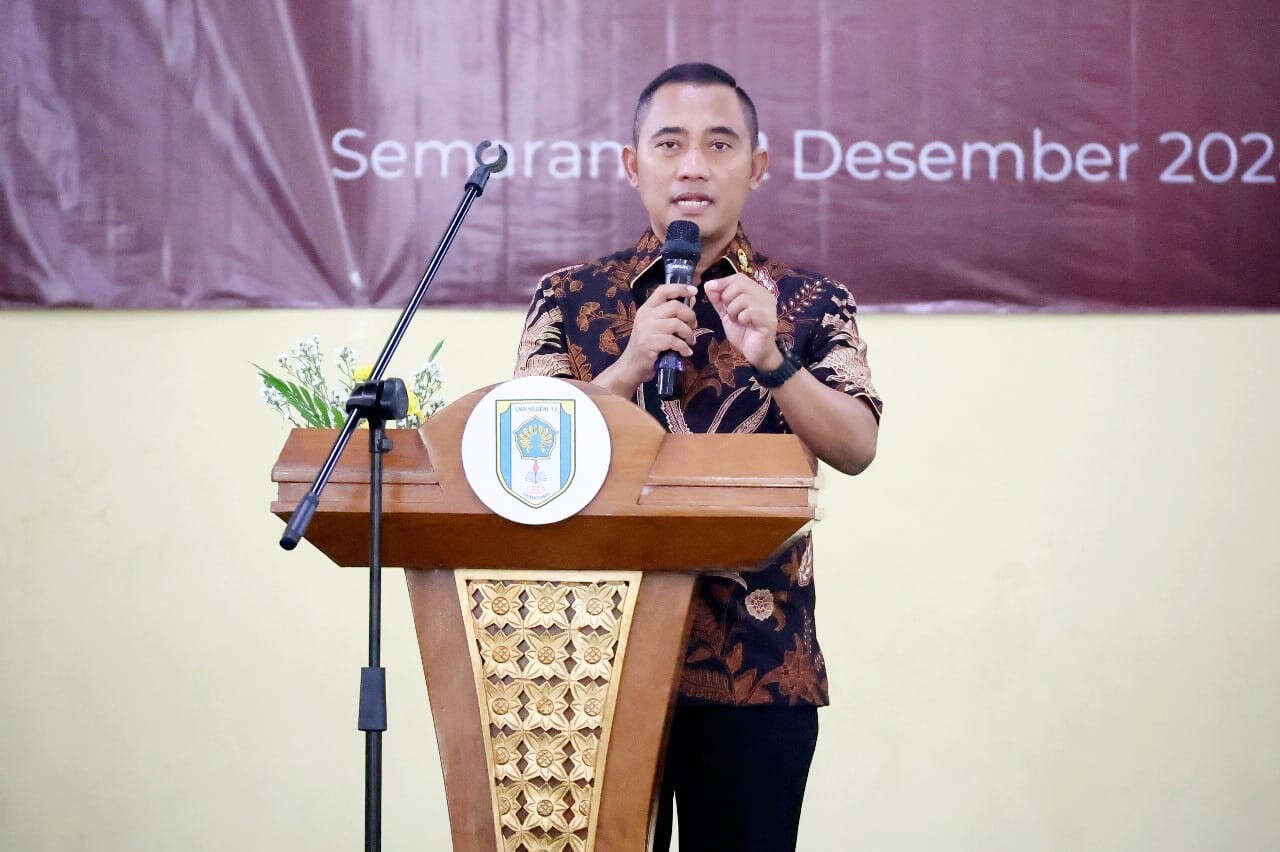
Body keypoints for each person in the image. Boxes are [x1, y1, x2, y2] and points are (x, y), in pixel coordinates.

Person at [513, 62, 882, 851]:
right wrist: (626, 367)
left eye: (719, 145)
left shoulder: (812, 304)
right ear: (631, 164)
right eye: (670, 144)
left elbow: (856, 447)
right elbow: (526, 461)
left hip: (759, 659)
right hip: (591, 662)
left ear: (757, 167)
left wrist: (776, 360)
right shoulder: (570, 299)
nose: (692, 166)